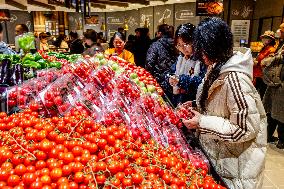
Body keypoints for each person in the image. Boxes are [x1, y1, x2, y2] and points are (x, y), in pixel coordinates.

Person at [182, 17, 267, 189]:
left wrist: (202, 122)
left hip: (236, 169)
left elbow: (245, 129)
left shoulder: (235, 78)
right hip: (220, 158)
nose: (201, 54)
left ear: (215, 46)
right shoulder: (216, 67)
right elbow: (220, 106)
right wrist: (195, 105)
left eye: (204, 49)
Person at [164, 23, 206, 107]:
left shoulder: (203, 59)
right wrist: (169, 79)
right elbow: (170, 73)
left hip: (195, 104)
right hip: (179, 102)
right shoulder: (181, 58)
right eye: (179, 45)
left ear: (194, 41)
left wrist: (181, 80)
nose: (182, 48)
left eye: (186, 44)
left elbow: (203, 83)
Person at [261, 23, 284, 148]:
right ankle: (269, 135)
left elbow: (269, 60)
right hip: (273, 82)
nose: (279, 32)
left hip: (280, 82)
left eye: (281, 30)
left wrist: (271, 58)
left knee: (280, 113)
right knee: (271, 110)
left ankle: (281, 139)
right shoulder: (280, 44)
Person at [146, 24, 177, 97]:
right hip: (175, 83)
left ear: (160, 33)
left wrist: (149, 81)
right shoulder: (177, 45)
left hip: (159, 84)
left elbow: (149, 64)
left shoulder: (155, 45)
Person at [253, 31, 276, 98]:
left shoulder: (271, 50)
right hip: (258, 74)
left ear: (270, 40)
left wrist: (257, 63)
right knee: (256, 94)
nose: (263, 39)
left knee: (261, 94)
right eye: (263, 37)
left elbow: (268, 63)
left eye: (266, 38)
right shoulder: (264, 48)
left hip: (263, 75)